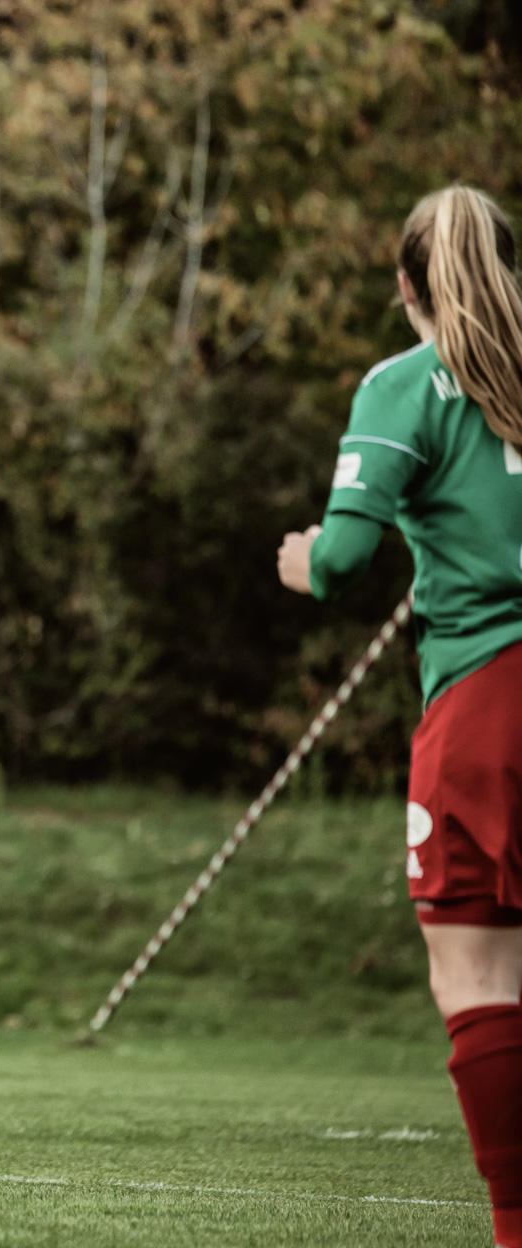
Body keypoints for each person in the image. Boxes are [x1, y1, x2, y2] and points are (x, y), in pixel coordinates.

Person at [277, 185, 522, 1247]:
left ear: (406, 285)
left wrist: (301, 561)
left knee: (479, 976)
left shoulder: (405, 384)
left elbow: (339, 560)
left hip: (486, 703)